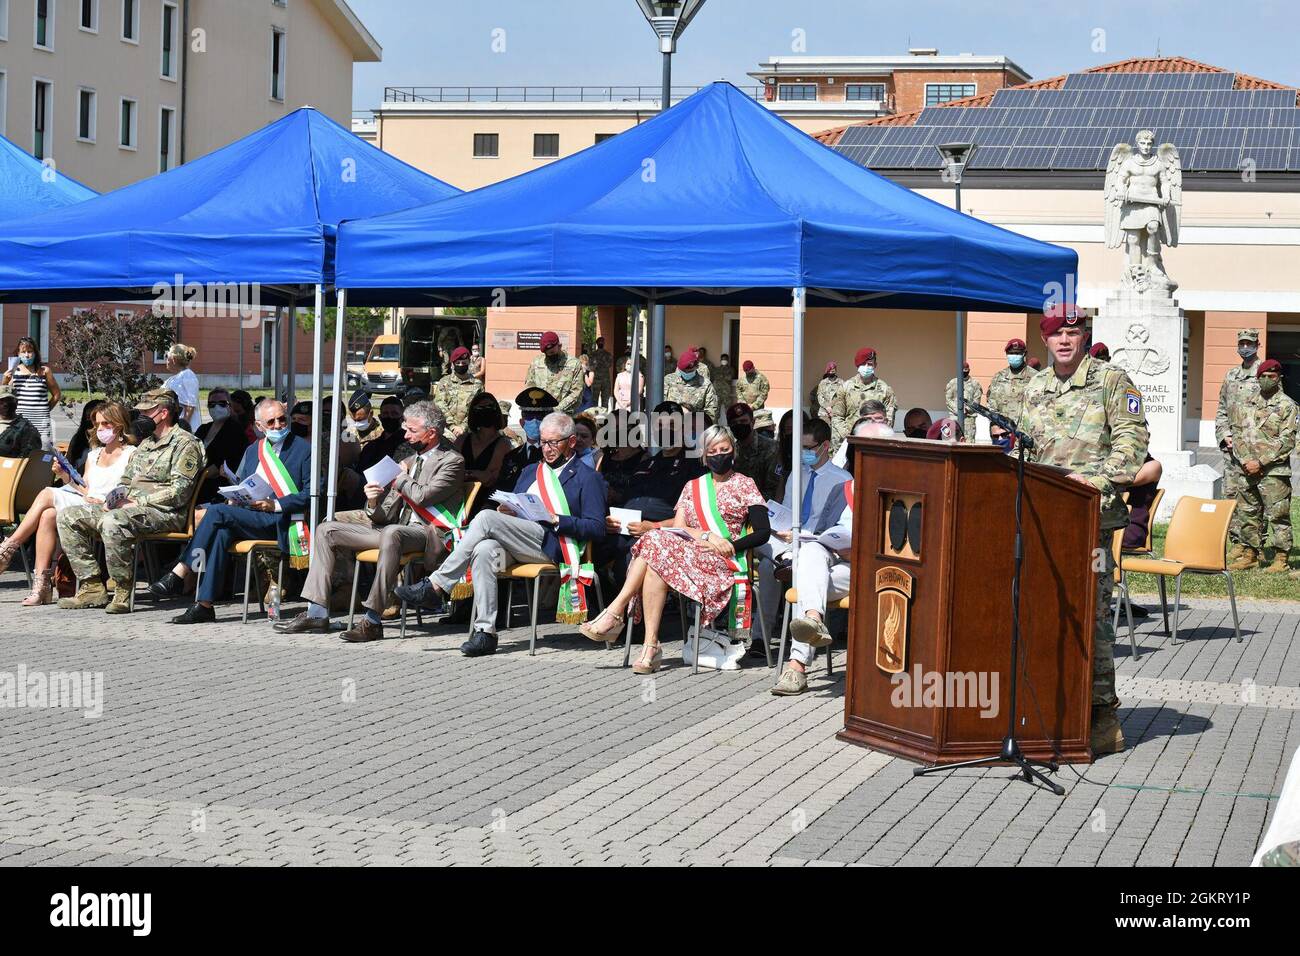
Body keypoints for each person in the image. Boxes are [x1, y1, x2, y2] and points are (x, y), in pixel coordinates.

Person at [1017, 305, 1149, 757]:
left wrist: (1092, 483)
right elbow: (1026, 447)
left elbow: (1133, 444)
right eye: (1057, 334)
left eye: (1073, 332)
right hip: (1040, 518)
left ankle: (1101, 716)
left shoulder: (1112, 380)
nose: (1065, 340)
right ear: (1046, 341)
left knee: (1091, 618)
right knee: (1040, 612)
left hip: (1089, 518)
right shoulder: (1034, 386)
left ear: (1083, 336)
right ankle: (1047, 707)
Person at [394, 411, 607, 658]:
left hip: (556, 546)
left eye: (553, 443)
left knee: (485, 518)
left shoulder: (587, 477)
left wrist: (557, 519)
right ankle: (485, 632)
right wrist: (507, 511)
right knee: (484, 550)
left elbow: (596, 527)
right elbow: (515, 508)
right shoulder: (530, 471)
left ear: (570, 442)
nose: (546, 449)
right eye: (543, 442)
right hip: (522, 541)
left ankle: (437, 584)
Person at [581, 424, 770, 673]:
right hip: (687, 554)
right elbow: (678, 528)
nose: (719, 455)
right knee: (656, 548)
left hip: (722, 561)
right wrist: (707, 535)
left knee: (654, 550)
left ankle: (622, 619)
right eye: (712, 450)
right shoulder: (693, 486)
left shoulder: (745, 484)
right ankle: (646, 642)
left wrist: (727, 545)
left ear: (733, 451)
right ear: (704, 455)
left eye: (724, 449)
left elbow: (762, 532)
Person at [274, 401, 467, 643]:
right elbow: (383, 516)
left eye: (412, 431)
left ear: (431, 433)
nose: (405, 435)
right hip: (394, 531)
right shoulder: (409, 461)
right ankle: (317, 612)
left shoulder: (451, 461)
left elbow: (422, 496)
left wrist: (399, 476)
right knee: (326, 529)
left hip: (428, 534)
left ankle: (372, 620)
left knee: (392, 533)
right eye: (405, 429)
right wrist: (373, 501)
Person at [149, 399, 313, 623]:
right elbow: (244, 483)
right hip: (251, 516)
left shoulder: (303, 449)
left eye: (282, 419)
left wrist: (274, 504)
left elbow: (312, 492)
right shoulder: (254, 450)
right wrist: (236, 495)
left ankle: (180, 571)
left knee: (216, 513)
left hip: (281, 520)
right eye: (271, 421)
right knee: (220, 532)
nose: (277, 425)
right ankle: (204, 604)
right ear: (259, 425)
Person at [57, 388, 205, 613]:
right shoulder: (147, 444)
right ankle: (91, 587)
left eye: (148, 411)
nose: (142, 416)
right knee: (69, 516)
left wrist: (139, 503)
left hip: (165, 513)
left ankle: (123, 590)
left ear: (163, 413)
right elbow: (126, 480)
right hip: (129, 508)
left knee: (114, 521)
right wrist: (113, 499)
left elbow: (179, 492)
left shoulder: (186, 444)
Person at [772, 420, 878, 695]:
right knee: (811, 551)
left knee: (808, 582)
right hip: (831, 563)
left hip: (866, 570)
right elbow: (828, 530)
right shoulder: (846, 490)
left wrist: (856, 550)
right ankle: (813, 619)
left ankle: (796, 666)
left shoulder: (887, 492)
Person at [0, 401, 135, 605]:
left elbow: (130, 489)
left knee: (47, 496)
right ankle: (41, 586)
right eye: (97, 424)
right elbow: (86, 489)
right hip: (86, 502)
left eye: (106, 424)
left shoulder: (131, 454)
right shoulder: (94, 454)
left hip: (109, 507)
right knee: (47, 514)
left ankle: (9, 547)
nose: (100, 429)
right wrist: (65, 476)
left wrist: (102, 499)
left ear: (119, 424)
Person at [757, 418, 850, 643]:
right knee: (760, 545)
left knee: (774, 567)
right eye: (800, 448)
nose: (803, 453)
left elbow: (842, 527)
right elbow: (787, 512)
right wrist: (780, 527)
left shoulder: (843, 480)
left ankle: (789, 564)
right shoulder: (796, 475)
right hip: (790, 541)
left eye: (808, 448)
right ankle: (761, 638)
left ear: (825, 446)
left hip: (819, 545)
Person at [1226, 360, 1297, 574]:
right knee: (1248, 513)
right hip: (1246, 469)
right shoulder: (1245, 404)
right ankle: (1250, 555)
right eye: (1263, 376)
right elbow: (1236, 433)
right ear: (1257, 378)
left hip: (1274, 471)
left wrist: (1261, 462)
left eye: (1272, 376)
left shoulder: (1287, 405)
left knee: (1278, 515)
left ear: (1279, 378)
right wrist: (1247, 460)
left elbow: (1287, 440)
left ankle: (1281, 558)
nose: (1267, 380)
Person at [1216, 329, 1263, 560]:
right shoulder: (1231, 375)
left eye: (1249, 343)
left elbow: (1272, 411)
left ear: (1257, 344)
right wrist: (1224, 434)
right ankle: (1237, 541)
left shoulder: (1264, 373)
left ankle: (1256, 544)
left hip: (1254, 448)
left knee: (1253, 496)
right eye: (1242, 343)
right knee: (1231, 493)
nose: (1245, 347)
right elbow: (1222, 409)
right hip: (1232, 449)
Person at [455, 392, 512, 516]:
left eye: (489, 408)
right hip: (458, 497)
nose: (484, 411)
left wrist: (466, 473)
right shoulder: (462, 440)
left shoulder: (503, 444)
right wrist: (475, 474)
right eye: (480, 408)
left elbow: (489, 478)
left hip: (486, 502)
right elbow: (451, 470)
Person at [832, 347, 896, 450]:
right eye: (863, 364)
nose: (866, 367)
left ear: (875, 365)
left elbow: (888, 421)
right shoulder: (845, 387)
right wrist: (851, 436)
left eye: (870, 364)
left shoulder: (885, 390)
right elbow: (837, 416)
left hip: (874, 444)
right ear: (857, 365)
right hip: (848, 442)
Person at [195, 388, 252, 501]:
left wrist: (198, 475)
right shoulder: (203, 429)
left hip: (219, 490)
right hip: (196, 484)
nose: (217, 407)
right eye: (212, 404)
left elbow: (225, 464)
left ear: (230, 406)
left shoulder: (235, 431)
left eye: (222, 403)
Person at [3, 337, 60, 448]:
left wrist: (45, 409)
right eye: (23, 352)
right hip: (20, 423)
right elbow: (4, 397)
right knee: (21, 455)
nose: (27, 355)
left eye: (30, 351)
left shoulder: (44, 371)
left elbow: (57, 395)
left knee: (42, 454)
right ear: (18, 354)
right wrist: (5, 380)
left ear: (35, 353)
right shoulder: (14, 371)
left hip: (41, 423)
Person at [498, 387, 556, 495]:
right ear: (522, 422)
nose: (534, 421)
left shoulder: (555, 455)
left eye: (540, 416)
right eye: (529, 416)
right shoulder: (511, 457)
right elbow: (500, 490)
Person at [727, 403, 780, 501]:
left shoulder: (771, 448)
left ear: (753, 422)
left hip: (762, 508)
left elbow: (773, 489)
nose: (739, 425)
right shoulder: (729, 450)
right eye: (734, 423)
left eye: (743, 421)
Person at [524, 331, 585, 415]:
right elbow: (530, 386)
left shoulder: (574, 365)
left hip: (563, 417)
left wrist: (555, 410)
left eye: (552, 352)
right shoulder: (537, 363)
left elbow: (576, 393)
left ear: (559, 346)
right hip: (540, 416)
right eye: (547, 354)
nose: (549, 356)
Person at [432, 346, 484, 438]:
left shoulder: (477, 384)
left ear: (468, 362)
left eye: (464, 363)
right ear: (453, 364)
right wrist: (452, 426)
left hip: (469, 432)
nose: (460, 365)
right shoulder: (444, 382)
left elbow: (478, 409)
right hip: (446, 432)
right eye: (458, 363)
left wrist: (463, 427)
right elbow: (439, 404)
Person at [663, 349, 720, 424]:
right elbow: (660, 403)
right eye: (684, 371)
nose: (687, 373)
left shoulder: (705, 384)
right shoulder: (668, 380)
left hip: (695, 427)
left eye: (690, 371)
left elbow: (712, 411)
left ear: (696, 367)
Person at [357, 397, 408, 476]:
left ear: (402, 418)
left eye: (394, 414)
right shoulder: (370, 447)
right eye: (386, 413)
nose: (390, 417)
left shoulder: (409, 443)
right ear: (380, 417)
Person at [986, 338, 1035, 421]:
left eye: (1017, 353)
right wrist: (994, 424)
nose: (1013, 356)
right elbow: (992, 404)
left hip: (1026, 430)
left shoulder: (1035, 377)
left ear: (1024, 354)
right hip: (1003, 428)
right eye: (1010, 353)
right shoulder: (998, 377)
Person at [832, 400, 888, 468]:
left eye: (878, 418)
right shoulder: (851, 441)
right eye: (868, 419)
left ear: (886, 421)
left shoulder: (892, 443)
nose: (873, 422)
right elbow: (838, 466)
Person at [162, 344, 202, 432]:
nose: (166, 359)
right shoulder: (172, 379)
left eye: (166, 356)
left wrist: (183, 429)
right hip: (174, 428)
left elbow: (190, 405)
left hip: (186, 431)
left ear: (174, 359)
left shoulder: (188, 375)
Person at [0, 384, 44, 457]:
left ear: (16, 403)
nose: (5, 404)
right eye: (2, 401)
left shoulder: (27, 429)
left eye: (9, 400)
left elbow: (28, 459)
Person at [65, 399, 106, 473]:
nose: (93, 428)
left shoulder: (108, 442)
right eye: (89, 422)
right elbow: (69, 464)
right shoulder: (78, 439)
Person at [945, 362, 983, 439]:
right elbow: (948, 399)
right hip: (955, 416)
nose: (964, 371)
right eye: (963, 370)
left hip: (969, 418)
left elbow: (977, 401)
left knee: (968, 441)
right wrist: (958, 409)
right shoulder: (953, 383)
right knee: (953, 439)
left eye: (966, 370)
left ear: (969, 370)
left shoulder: (975, 384)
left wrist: (967, 409)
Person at [588, 337, 614, 409]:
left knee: (594, 400)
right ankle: (604, 416)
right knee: (604, 401)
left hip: (596, 379)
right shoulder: (608, 355)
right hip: (605, 379)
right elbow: (610, 365)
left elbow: (590, 367)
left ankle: (595, 416)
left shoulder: (592, 355)